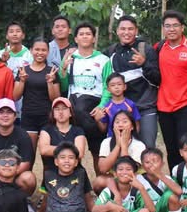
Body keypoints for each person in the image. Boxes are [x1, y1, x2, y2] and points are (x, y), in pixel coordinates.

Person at [155, 10, 187, 170]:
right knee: (171, 148)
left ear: (182, 28)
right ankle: (176, 183)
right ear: (163, 28)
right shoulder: (158, 48)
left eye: (175, 25)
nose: (171, 29)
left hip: (186, 104)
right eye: (168, 26)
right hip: (163, 105)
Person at [61, 22, 113, 171]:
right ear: (76, 39)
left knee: (98, 151)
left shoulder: (103, 60)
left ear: (93, 38)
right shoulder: (70, 58)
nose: (85, 37)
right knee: (72, 151)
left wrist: (102, 106)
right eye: (81, 34)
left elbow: (107, 86)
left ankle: (101, 186)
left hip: (94, 107)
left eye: (88, 34)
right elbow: (64, 86)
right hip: (74, 107)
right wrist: (63, 68)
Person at [105, 15, 161, 148]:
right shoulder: (111, 52)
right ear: (117, 31)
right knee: (122, 148)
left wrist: (144, 63)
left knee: (147, 148)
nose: (126, 32)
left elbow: (158, 79)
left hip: (145, 108)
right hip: (122, 110)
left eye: (130, 29)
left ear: (136, 31)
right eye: (123, 29)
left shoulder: (146, 50)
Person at [94, 156, 160, 212]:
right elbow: (96, 209)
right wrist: (110, 207)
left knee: (145, 211)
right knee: (109, 207)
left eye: (128, 169)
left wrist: (141, 188)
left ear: (135, 174)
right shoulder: (109, 190)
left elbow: (152, 210)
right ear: (115, 173)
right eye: (120, 169)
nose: (124, 172)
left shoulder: (137, 190)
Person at [12, 37, 60, 154]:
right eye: (37, 49)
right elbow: (15, 97)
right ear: (31, 50)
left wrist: (50, 82)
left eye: (43, 50)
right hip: (28, 116)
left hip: (47, 117)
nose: (40, 53)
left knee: (48, 156)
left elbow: (55, 99)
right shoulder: (23, 71)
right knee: (28, 154)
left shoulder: (52, 71)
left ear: (48, 52)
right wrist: (22, 80)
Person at [138, 148, 187, 212]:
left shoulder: (167, 178)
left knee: (171, 196)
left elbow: (179, 191)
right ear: (142, 166)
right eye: (147, 162)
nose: (151, 165)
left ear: (162, 163)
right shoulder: (139, 179)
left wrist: (160, 175)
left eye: (155, 161)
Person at [95, 110, 146, 193]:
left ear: (132, 127)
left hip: (134, 179)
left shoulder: (139, 145)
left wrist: (124, 147)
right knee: (98, 182)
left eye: (125, 121)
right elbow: (103, 169)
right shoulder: (106, 142)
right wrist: (118, 145)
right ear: (113, 127)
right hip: (115, 178)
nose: (120, 124)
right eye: (117, 122)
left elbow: (128, 171)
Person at [38, 97, 87, 173]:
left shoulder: (78, 130)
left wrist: (57, 150)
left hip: (75, 172)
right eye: (57, 109)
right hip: (52, 172)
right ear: (53, 113)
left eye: (64, 108)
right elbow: (44, 150)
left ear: (70, 113)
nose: (60, 112)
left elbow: (80, 153)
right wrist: (70, 151)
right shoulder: (46, 129)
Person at [97, 73, 140, 137]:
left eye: (119, 84)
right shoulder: (106, 107)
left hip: (128, 138)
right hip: (112, 139)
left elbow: (137, 124)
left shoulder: (130, 104)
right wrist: (97, 120)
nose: (116, 87)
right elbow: (103, 129)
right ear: (108, 89)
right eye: (113, 85)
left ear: (125, 87)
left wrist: (133, 138)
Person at [46, 15, 76, 81]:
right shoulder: (45, 49)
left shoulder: (75, 51)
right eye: (57, 27)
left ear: (69, 31)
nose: (60, 29)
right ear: (52, 31)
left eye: (63, 27)